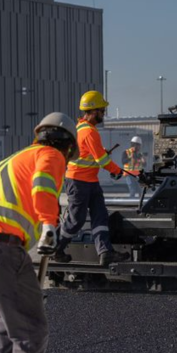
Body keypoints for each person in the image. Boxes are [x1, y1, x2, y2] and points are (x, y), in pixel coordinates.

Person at [0, 112, 78, 353]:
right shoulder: (51, 155)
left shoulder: (15, 157)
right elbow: (44, 186)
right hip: (0, 247)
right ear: (68, 145)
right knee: (32, 332)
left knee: (10, 323)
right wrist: (49, 225)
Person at [54, 90, 128, 266]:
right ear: (94, 111)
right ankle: (57, 248)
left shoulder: (82, 130)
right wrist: (117, 171)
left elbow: (93, 156)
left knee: (100, 217)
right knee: (76, 220)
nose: (103, 114)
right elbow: (101, 160)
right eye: (102, 111)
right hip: (79, 182)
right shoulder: (89, 132)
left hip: (90, 182)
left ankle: (105, 252)